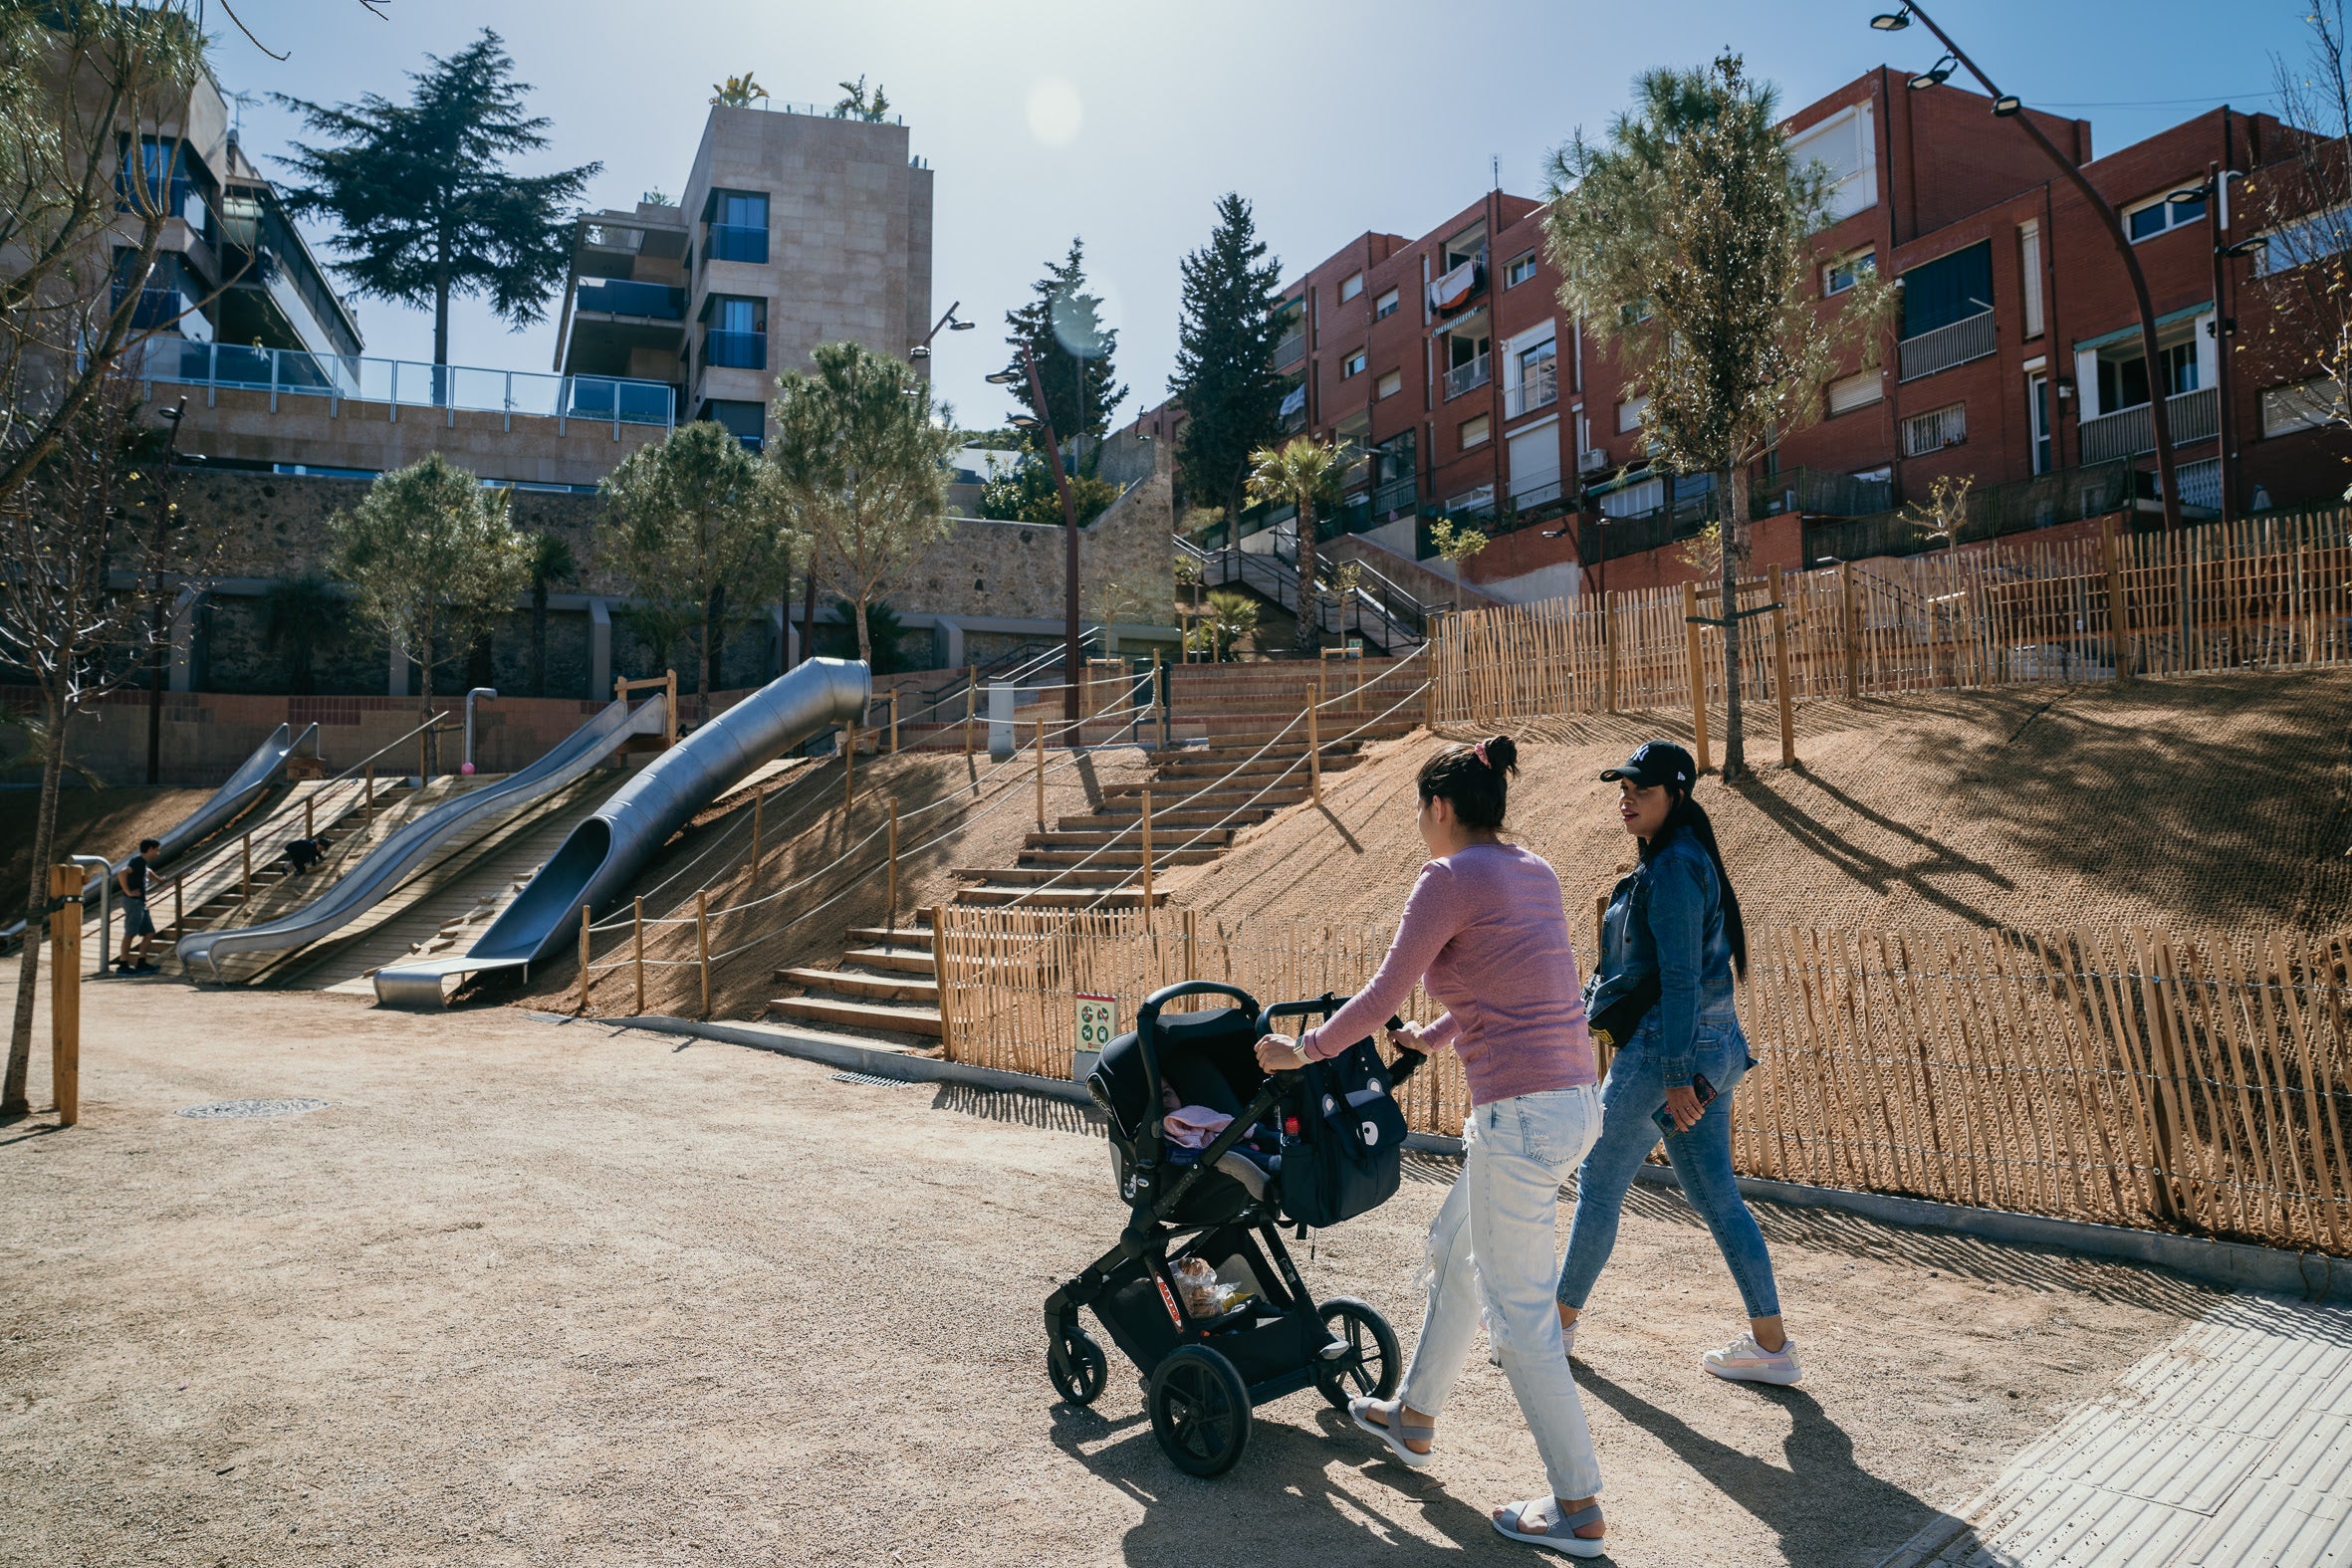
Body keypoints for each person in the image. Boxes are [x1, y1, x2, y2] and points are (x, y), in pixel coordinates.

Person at [1254, 736, 1611, 1557]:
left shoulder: (1447, 878)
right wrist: (1439, 1034)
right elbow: (1521, 987)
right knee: (1456, 1249)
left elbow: (1381, 991)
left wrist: (1300, 1049)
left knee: (1520, 1320)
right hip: (1568, 1105)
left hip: (1518, 1118)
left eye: (1420, 808)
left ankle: (1578, 1504)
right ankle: (1414, 1416)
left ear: (1440, 807)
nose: (1419, 824)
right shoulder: (1535, 870)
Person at [1554, 740, 1800, 1386]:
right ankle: (1771, 1345)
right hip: (1709, 1052)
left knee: (1599, 1180)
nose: (1626, 796)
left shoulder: (1672, 870)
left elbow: (1683, 978)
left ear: (1678, 796)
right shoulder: (1680, 861)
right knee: (1717, 1195)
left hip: (1669, 1052)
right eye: (1623, 787)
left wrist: (1672, 1073)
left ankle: (1552, 1329)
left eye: (1643, 788)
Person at [114, 838, 171, 977]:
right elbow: (121, 873)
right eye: (157, 850)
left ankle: (141, 962)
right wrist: (128, 892)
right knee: (130, 933)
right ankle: (123, 965)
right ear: (150, 849)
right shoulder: (137, 861)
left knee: (149, 932)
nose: (158, 853)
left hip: (140, 903)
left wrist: (159, 880)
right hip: (133, 902)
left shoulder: (142, 863)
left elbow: (148, 871)